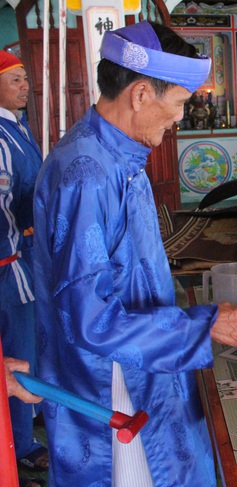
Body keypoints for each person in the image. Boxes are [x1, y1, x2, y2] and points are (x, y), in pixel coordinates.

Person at [33, 21, 237, 486]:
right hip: (113, 387)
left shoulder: (116, 155)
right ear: (139, 95)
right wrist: (200, 324)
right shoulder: (88, 175)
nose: (178, 119)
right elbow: (89, 319)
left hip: (141, 361)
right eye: (177, 104)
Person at [0, 50, 48, 474]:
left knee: (29, 346)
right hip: (9, 259)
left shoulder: (18, 127)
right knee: (17, 355)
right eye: (15, 79)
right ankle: (19, 447)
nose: (24, 85)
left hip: (26, 252)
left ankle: (26, 431)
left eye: (23, 79)